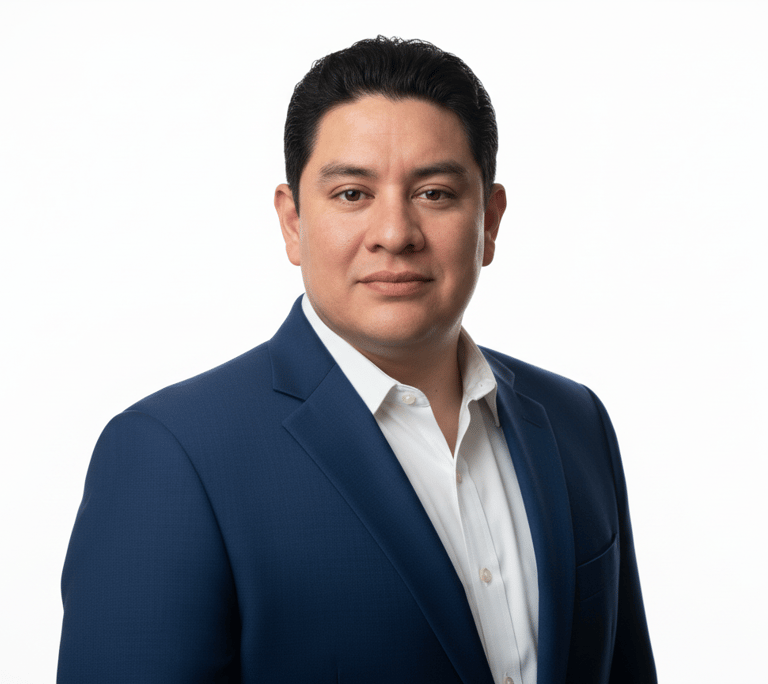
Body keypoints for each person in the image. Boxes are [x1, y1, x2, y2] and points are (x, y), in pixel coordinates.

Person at [57, 36, 656, 684]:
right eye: (351, 194)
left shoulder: (574, 422)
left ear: (489, 221)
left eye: (435, 193)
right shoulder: (171, 456)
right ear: (293, 222)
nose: (395, 234)